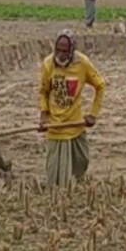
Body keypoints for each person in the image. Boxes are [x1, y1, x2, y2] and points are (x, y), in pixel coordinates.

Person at [39, 29, 106, 187]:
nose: (60, 55)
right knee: (56, 178)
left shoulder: (82, 63)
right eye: (58, 50)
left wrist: (93, 115)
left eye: (65, 51)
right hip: (55, 128)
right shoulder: (48, 64)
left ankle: (78, 187)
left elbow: (100, 85)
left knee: (82, 161)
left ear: (71, 51)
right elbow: (43, 91)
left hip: (76, 126)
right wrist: (44, 115)